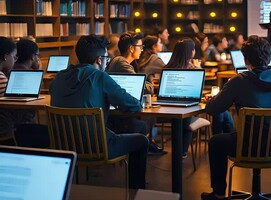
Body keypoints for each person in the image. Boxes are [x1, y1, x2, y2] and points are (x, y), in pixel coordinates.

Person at [49, 35, 149, 189]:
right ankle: (137, 192)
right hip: (96, 147)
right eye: (106, 59)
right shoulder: (100, 76)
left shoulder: (59, 77)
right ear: (98, 60)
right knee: (141, 140)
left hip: (63, 145)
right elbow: (133, 106)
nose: (107, 62)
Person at [201, 36, 271, 200]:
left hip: (248, 147)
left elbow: (213, 109)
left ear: (246, 59)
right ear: (269, 57)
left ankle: (219, 194)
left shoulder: (239, 81)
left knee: (216, 142)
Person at [164, 38, 204, 157]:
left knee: (184, 119)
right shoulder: (193, 69)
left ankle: (180, 153)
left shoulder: (168, 67)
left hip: (165, 108)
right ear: (191, 52)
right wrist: (199, 68)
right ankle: (182, 153)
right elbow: (198, 89)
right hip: (184, 109)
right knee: (187, 122)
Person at [0, 37, 17, 142]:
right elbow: (13, 107)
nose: (14, 61)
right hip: (3, 131)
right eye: (14, 57)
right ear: (6, 57)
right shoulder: (1, 79)